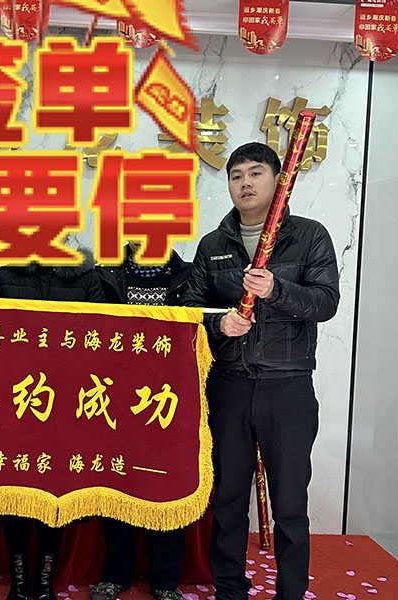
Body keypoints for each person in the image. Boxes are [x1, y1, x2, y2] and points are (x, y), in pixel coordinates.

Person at [182, 142, 340, 600]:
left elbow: (325, 302)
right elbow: (190, 311)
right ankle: (229, 589)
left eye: (255, 173)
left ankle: (290, 592)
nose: (245, 183)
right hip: (228, 386)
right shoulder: (213, 245)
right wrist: (220, 325)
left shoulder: (309, 236)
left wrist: (277, 289)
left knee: (289, 503)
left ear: (278, 180)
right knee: (228, 499)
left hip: (286, 387)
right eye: (236, 176)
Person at [0, 246, 105, 600]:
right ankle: (18, 581)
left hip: (66, 404)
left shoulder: (86, 277)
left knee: (54, 493)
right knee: (15, 493)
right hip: (17, 401)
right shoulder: (4, 275)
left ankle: (44, 580)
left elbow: (102, 335)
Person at [90, 242, 191, 600]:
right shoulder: (104, 274)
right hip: (114, 396)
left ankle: (165, 580)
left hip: (169, 398)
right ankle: (116, 574)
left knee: (166, 486)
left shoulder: (188, 276)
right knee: (116, 481)